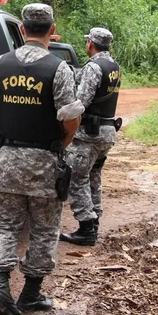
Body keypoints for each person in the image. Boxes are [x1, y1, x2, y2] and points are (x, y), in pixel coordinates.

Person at [0, 3, 83, 315]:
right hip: (44, 162)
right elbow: (71, 118)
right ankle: (30, 293)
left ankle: (0, 289)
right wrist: (59, 145)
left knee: (5, 224)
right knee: (44, 228)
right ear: (52, 31)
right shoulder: (59, 69)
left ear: (23, 30)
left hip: (7, 160)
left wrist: (11, 140)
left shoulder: (1, 64)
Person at [60, 27, 120, 246]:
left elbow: (81, 102)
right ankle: (94, 221)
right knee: (94, 176)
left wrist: (62, 116)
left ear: (90, 44)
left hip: (89, 135)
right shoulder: (113, 66)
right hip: (106, 132)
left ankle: (86, 228)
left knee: (77, 177)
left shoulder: (94, 67)